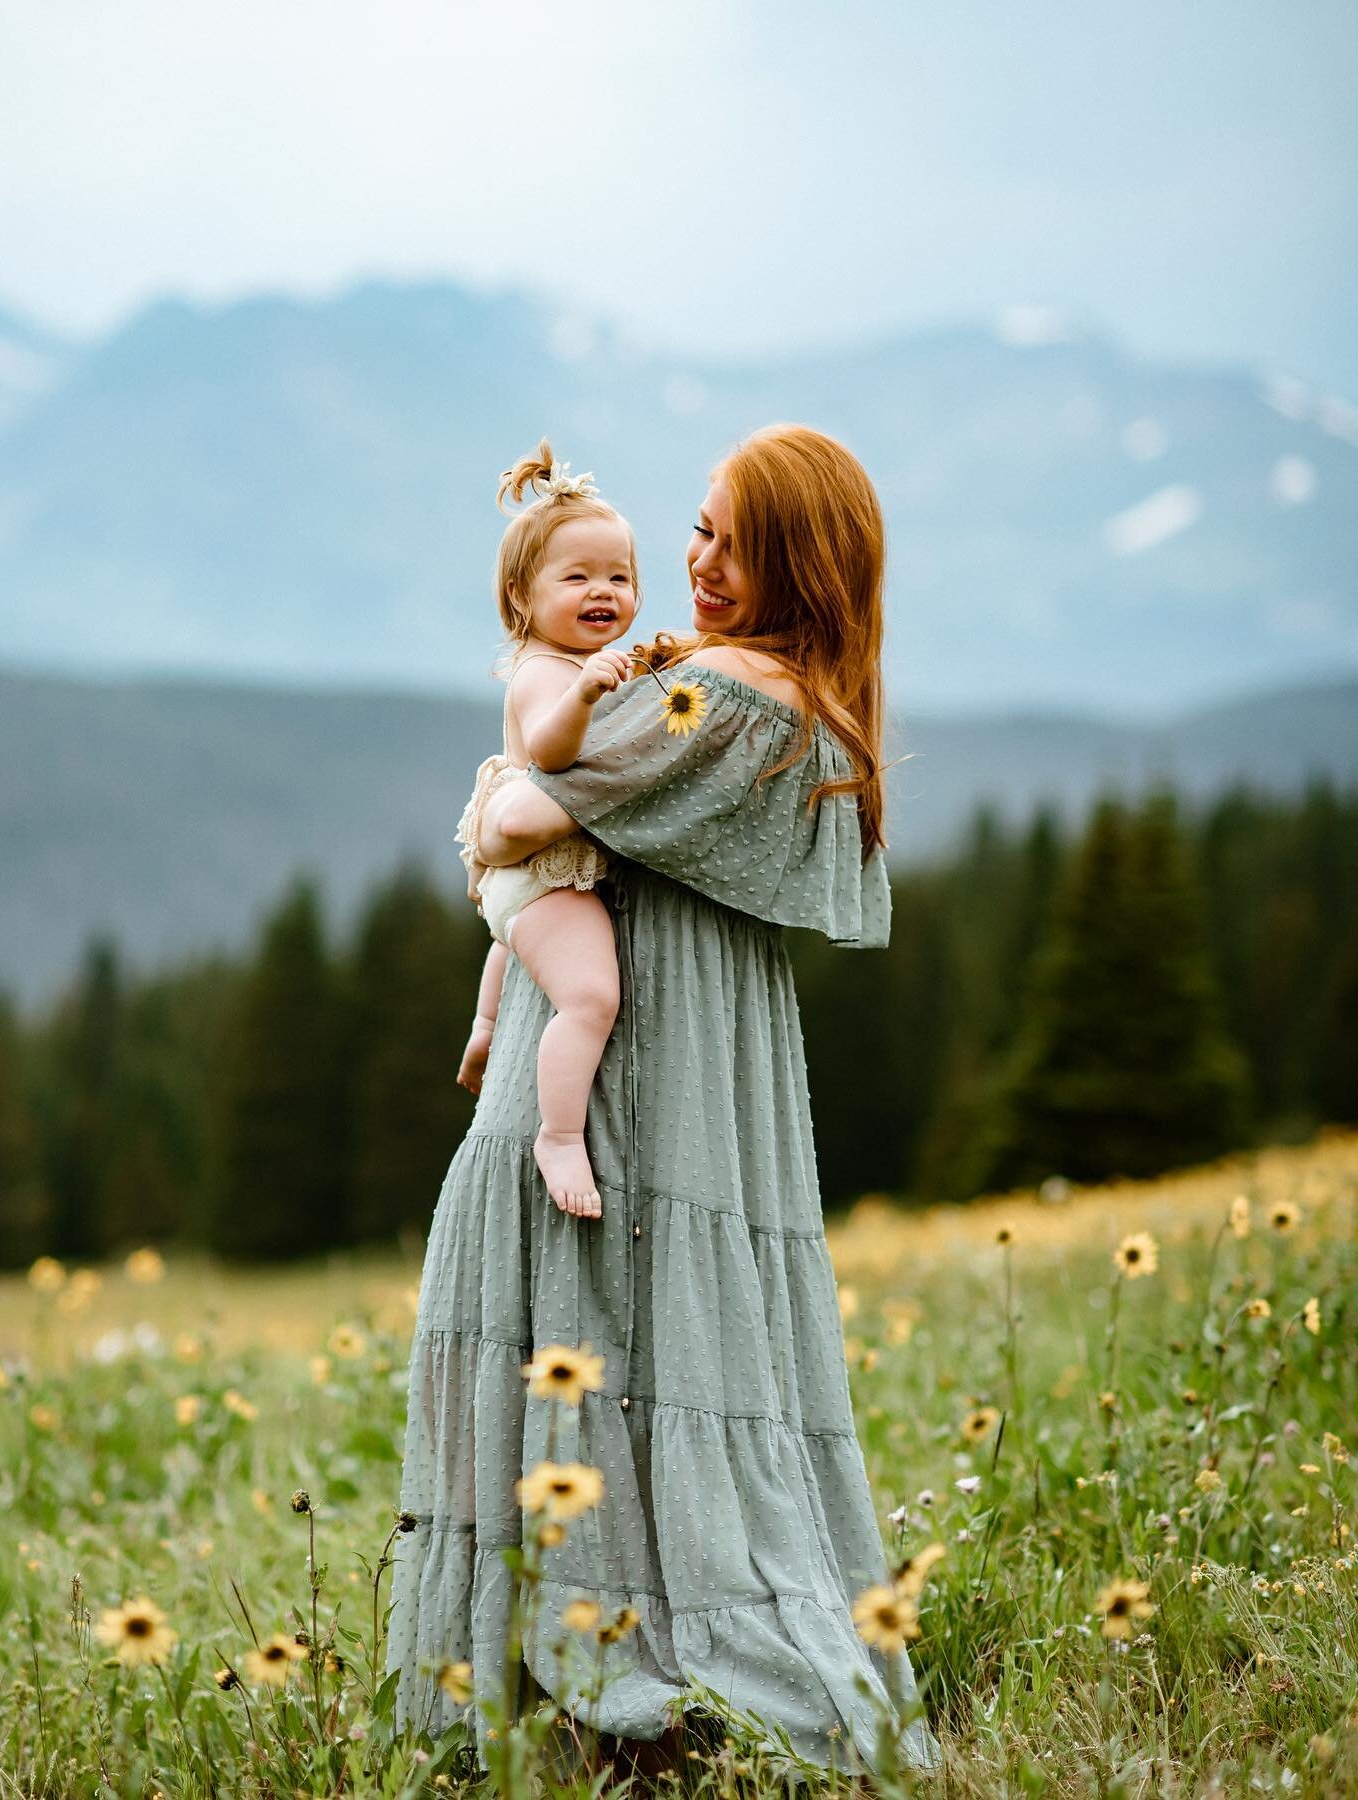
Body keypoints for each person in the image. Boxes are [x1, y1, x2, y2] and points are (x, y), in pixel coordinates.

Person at [386, 423, 942, 1777]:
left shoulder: (721, 697)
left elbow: (514, 818)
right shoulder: (785, 695)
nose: (694, 561)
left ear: (793, 558)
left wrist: (519, 785)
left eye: (725, 536)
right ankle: (598, 1652)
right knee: (662, 1331)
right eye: (692, 530)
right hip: (703, 1044)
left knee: (571, 1297)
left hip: (646, 1044)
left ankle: (588, 1675)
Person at [453, 440, 639, 1218]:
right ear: (521, 599)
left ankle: (488, 1024)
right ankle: (558, 1134)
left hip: (518, 886)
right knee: (592, 997)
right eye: (578, 577)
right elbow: (556, 755)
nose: (603, 592)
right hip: (543, 872)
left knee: (518, 944)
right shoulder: (543, 673)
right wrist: (590, 694)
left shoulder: (567, 661)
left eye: (620, 577)